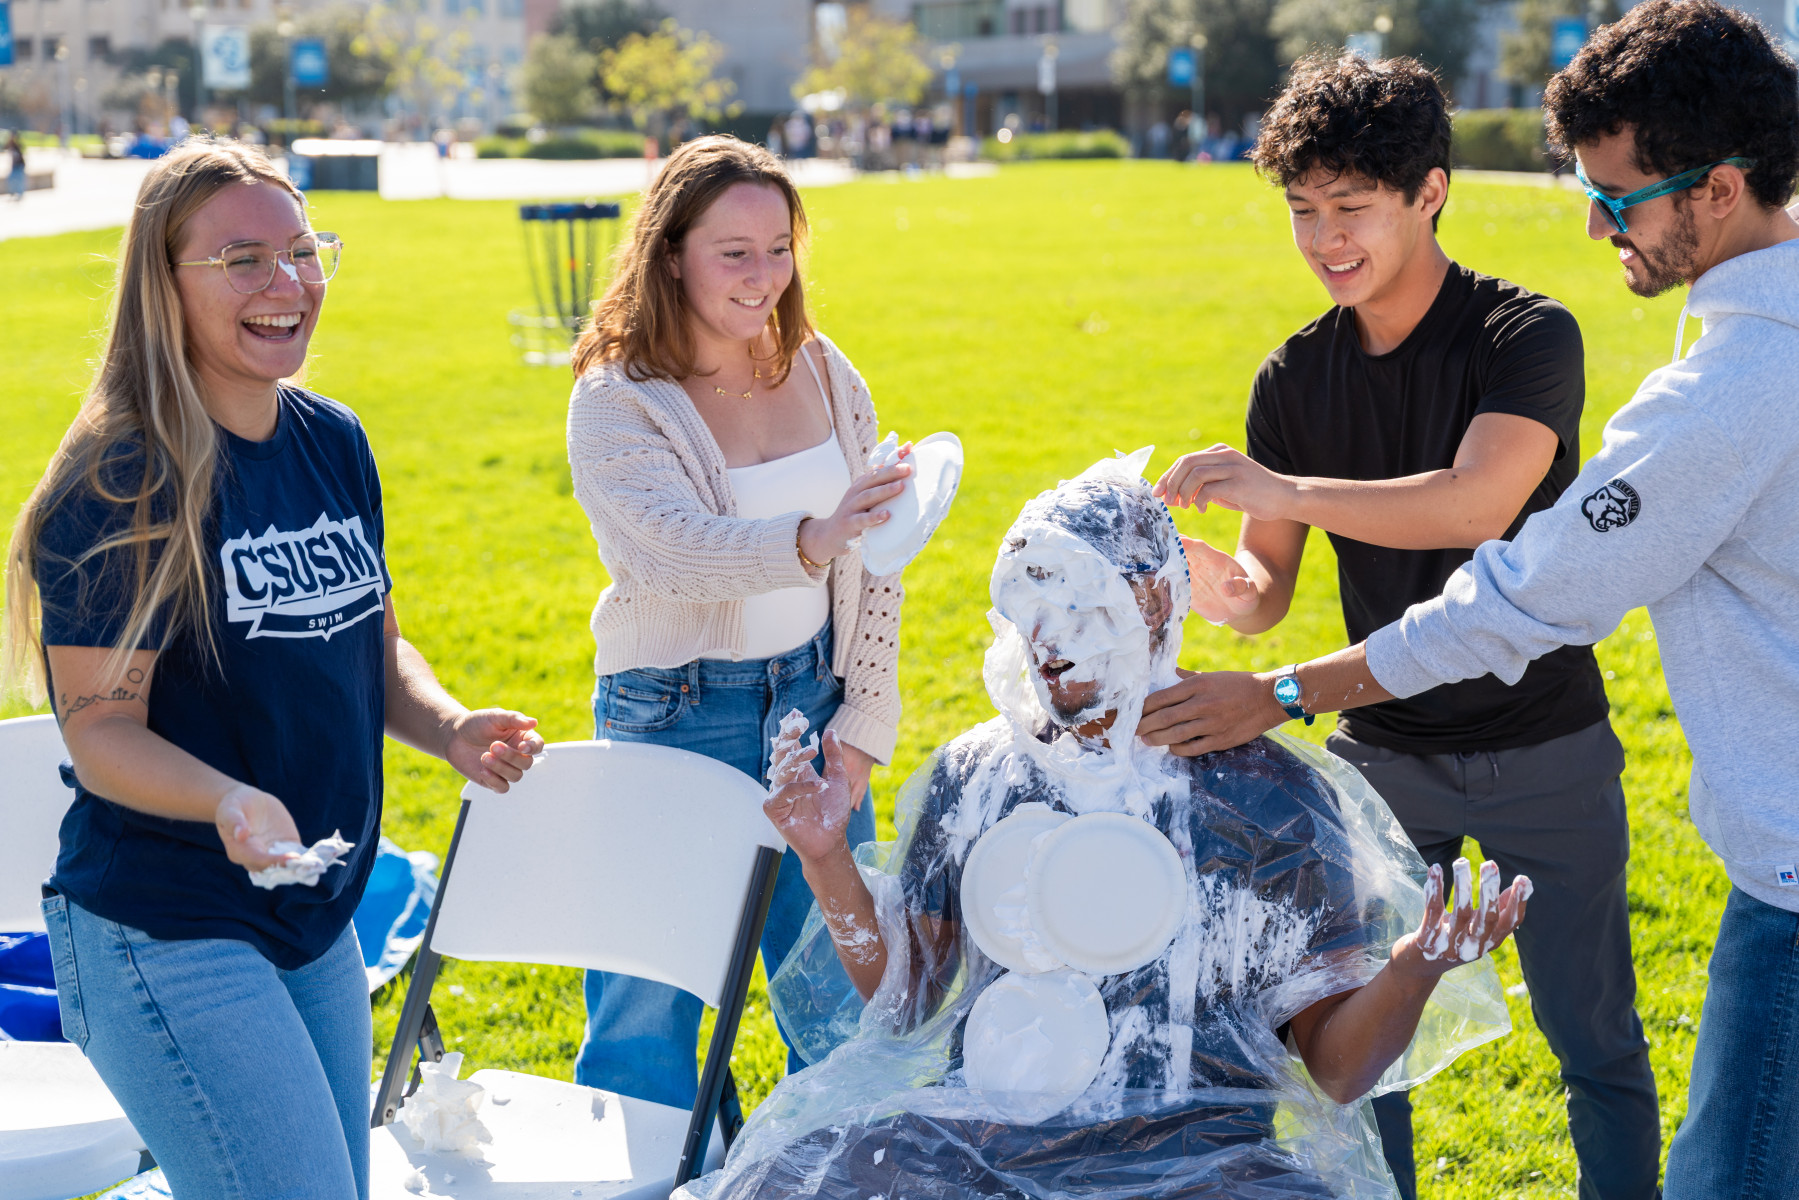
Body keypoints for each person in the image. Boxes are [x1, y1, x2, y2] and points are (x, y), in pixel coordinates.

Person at [1135, 4, 1799, 1195]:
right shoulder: (1291, 374)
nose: (1597, 225)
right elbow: (1260, 587)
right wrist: (1166, 569)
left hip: (1593, 768)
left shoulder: (1626, 365)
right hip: (1389, 760)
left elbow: (1494, 545)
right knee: (1368, 1054)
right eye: (1303, 212)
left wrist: (1281, 685)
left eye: (1619, 194)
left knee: (1629, 1072)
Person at [674, 454, 1529, 1200]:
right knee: (779, 1181)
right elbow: (904, 1003)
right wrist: (826, 858)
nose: (1045, 642)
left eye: (1079, 605)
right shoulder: (981, 777)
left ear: (1156, 600)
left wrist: (1415, 969)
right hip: (987, 1148)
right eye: (1027, 605)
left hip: (1202, 1161)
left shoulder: (1272, 798)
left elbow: (1337, 1073)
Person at [0, 140, 545, 1199]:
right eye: (242, 259)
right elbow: (100, 730)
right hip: (165, 922)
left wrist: (448, 725)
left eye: (303, 252)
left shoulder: (331, 440)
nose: (287, 285)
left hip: (312, 906)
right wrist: (227, 800)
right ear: (164, 284)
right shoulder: (124, 478)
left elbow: (371, 641)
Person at [564, 134, 911, 1111]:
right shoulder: (616, 399)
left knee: (841, 988)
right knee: (648, 1003)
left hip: (815, 696)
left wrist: (862, 724)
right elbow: (671, 552)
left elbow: (873, 555)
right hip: (676, 710)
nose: (763, 277)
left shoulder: (823, 369)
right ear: (669, 251)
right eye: (733, 252)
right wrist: (814, 533)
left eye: (779, 247)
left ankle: (825, 1171)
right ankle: (660, 1172)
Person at [5, 131, 27, 201]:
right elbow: (5, 146)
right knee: (11, 179)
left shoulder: (17, 145)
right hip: (14, 166)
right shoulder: (11, 145)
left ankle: (20, 194)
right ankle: (13, 193)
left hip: (19, 165)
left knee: (19, 180)